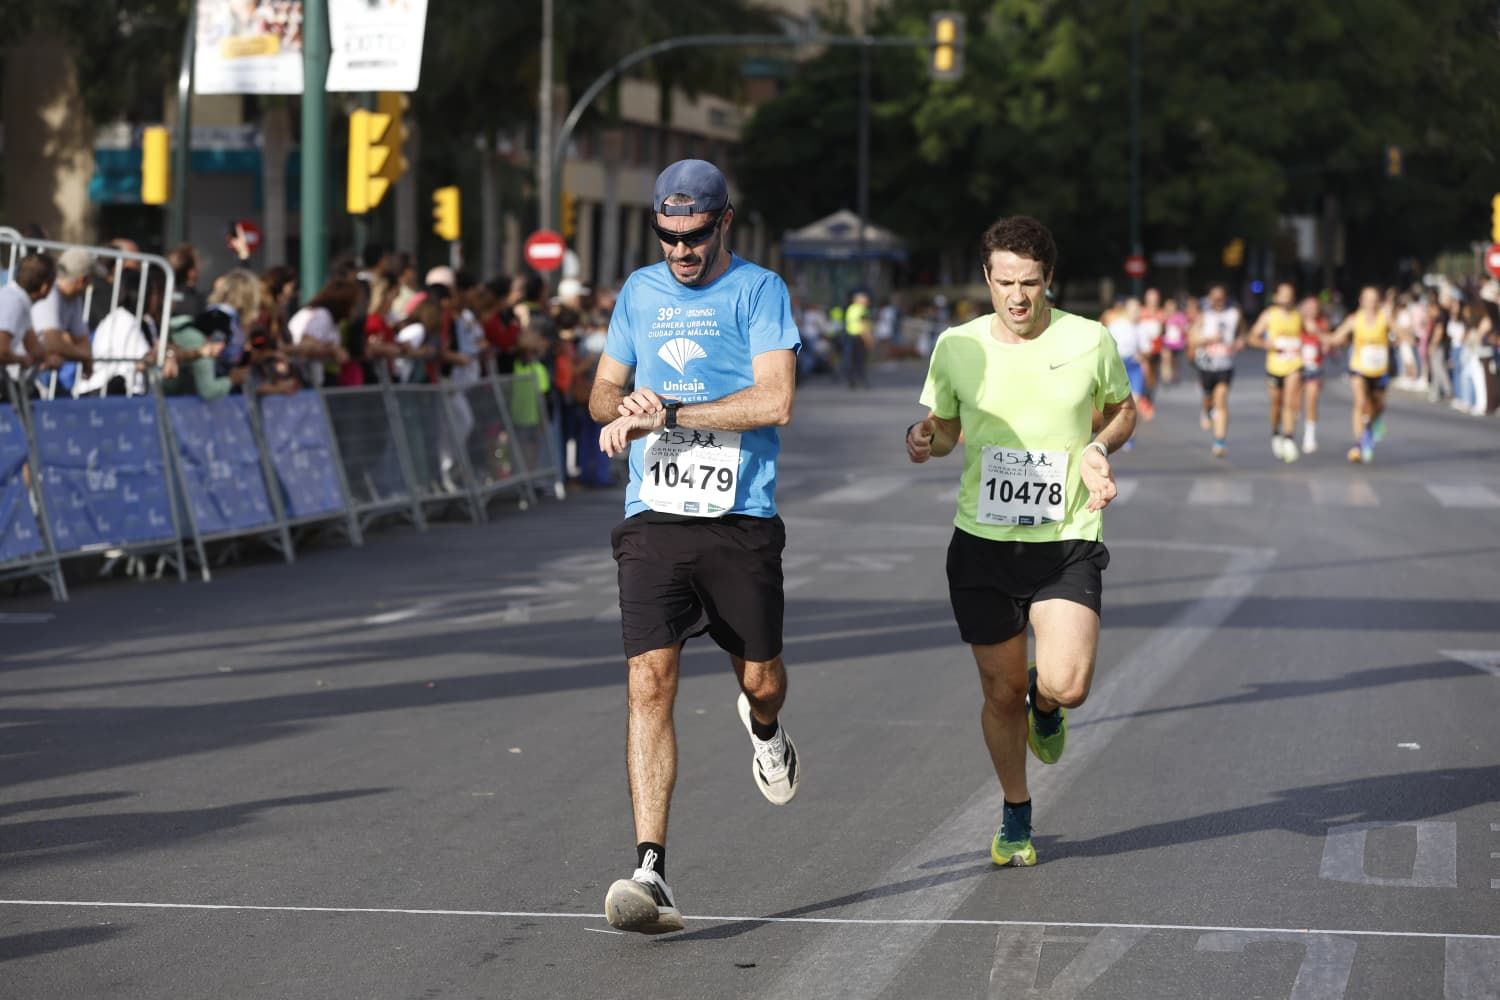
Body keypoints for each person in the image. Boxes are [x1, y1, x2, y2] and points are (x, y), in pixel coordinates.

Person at [591, 159, 802, 935]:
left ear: (724, 224)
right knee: (649, 682)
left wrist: (672, 410)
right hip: (655, 513)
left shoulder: (759, 291)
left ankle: (768, 729)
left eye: (694, 237)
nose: (680, 252)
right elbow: (600, 390)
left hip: (740, 514)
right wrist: (627, 404)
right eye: (668, 237)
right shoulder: (640, 292)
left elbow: (776, 398)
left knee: (764, 681)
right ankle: (651, 869)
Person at [906, 215, 1134, 869]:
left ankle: (1048, 700)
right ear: (987, 278)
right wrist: (926, 439)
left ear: (1049, 279)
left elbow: (1125, 409)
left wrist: (1097, 446)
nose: (1017, 297)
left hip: (1066, 535)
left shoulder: (1090, 341)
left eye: (1030, 283)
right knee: (998, 693)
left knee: (1069, 683)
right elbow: (945, 429)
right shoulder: (957, 346)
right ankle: (1015, 810)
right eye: (1004, 282)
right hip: (982, 542)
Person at [1326, 286, 1393, 463]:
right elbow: (1336, 337)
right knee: (1360, 403)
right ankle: (1358, 444)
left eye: (1374, 299)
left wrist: (1409, 339)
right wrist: (1318, 336)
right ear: (1361, 301)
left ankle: (1372, 425)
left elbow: (1401, 335)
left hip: (1379, 370)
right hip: (1359, 368)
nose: (1371, 302)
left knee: (1378, 405)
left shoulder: (1384, 318)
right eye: (1367, 298)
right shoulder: (1354, 320)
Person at [1246, 281, 1304, 462]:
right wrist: (1265, 344)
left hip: (1294, 364)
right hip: (1274, 366)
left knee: (1290, 401)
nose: (1286, 298)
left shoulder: (1298, 316)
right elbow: (1252, 337)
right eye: (1283, 294)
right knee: (1276, 404)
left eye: (1289, 294)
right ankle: (1275, 432)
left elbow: (1310, 334)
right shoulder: (1269, 316)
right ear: (1276, 297)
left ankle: (1288, 437)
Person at [31, 247, 97, 392]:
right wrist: (84, 357)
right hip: (22, 374)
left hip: (36, 373)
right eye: (91, 280)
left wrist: (67, 348)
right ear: (82, 280)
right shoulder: (50, 293)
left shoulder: (74, 298)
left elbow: (82, 340)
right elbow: (53, 342)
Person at [1190, 285, 1242, 458]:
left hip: (1225, 365)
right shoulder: (1204, 316)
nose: (1219, 301)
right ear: (1210, 299)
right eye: (1215, 298)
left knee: (1221, 399)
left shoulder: (1234, 314)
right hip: (1207, 365)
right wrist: (1208, 339)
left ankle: (1219, 442)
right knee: (1208, 397)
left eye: (1221, 297)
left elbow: (1243, 334)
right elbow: (1192, 338)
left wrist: (1240, 342)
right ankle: (1206, 409)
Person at [0, 252, 57, 380]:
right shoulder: (14, 302)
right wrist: (21, 359)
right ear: (45, 287)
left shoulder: (19, 298)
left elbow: (33, 346)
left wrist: (49, 358)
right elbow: (1, 351)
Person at [1296, 295, 1327, 454]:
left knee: (1312, 398)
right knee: (1296, 400)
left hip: (1314, 367)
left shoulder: (1322, 323)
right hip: (1296, 367)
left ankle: (1309, 436)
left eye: (1315, 308)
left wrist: (1318, 333)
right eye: (1308, 308)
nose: (1311, 311)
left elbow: (1328, 342)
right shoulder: (1294, 322)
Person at [843, 288, 872, 389]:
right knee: (860, 360)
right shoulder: (861, 309)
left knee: (851, 359)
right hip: (859, 338)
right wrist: (868, 339)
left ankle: (852, 381)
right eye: (865, 299)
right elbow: (863, 325)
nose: (867, 301)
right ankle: (862, 380)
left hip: (849, 336)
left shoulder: (851, 308)